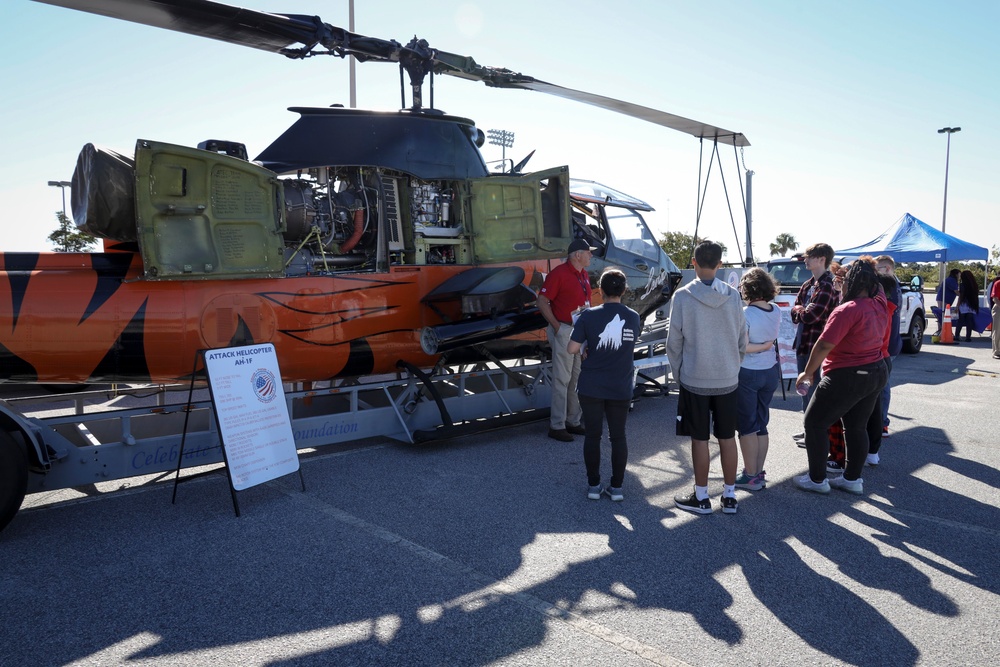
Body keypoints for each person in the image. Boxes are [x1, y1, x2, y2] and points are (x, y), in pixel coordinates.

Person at [794, 258, 889, 496]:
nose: (840, 285)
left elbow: (824, 344)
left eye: (844, 280)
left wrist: (808, 372)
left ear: (854, 282)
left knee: (814, 422)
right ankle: (852, 479)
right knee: (856, 427)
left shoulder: (847, 309)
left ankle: (817, 480)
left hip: (848, 373)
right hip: (876, 370)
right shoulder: (878, 304)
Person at [666, 241, 748, 515]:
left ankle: (701, 496)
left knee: (699, 438)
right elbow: (742, 338)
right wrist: (733, 365)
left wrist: (679, 372)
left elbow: (674, 341)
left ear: (694, 262)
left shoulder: (683, 296)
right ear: (720, 264)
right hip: (727, 376)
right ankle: (729, 495)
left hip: (694, 377)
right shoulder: (734, 296)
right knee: (727, 437)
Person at [568, 269, 641, 501]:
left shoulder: (588, 316)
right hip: (620, 384)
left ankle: (593, 486)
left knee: (592, 436)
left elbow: (571, 348)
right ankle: (617, 487)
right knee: (618, 437)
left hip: (591, 385)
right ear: (624, 290)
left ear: (600, 290)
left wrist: (585, 347)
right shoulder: (633, 316)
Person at [537, 238, 595, 442]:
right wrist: (557, 327)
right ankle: (557, 425)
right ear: (577, 254)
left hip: (579, 332)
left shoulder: (584, 274)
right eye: (589, 252)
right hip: (565, 330)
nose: (591, 255)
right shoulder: (559, 274)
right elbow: (542, 301)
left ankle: (573, 420)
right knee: (563, 378)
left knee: (576, 377)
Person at [734, 268, 781, 492]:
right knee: (762, 423)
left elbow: (743, 348)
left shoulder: (745, 314)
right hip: (770, 371)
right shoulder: (775, 311)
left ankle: (750, 475)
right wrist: (766, 346)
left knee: (747, 426)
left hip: (749, 372)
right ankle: (758, 471)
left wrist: (761, 346)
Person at [790, 243, 839, 445]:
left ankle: (817, 434)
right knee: (805, 390)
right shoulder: (809, 284)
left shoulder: (827, 284)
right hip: (803, 344)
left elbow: (812, 315)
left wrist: (800, 310)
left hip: (818, 347)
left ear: (821, 259)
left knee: (818, 393)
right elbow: (796, 310)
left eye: (809, 256)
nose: (805, 260)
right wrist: (800, 310)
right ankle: (808, 429)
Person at [875, 255, 903, 437]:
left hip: (887, 344)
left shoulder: (890, 288)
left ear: (886, 269)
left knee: (882, 386)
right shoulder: (888, 286)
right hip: (885, 343)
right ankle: (879, 422)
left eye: (876, 269)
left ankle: (882, 423)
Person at [954, 270, 980, 343]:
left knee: (960, 321)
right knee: (969, 321)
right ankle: (968, 337)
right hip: (972, 304)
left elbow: (961, 296)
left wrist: (957, 306)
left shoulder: (962, 285)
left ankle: (957, 335)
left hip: (963, 304)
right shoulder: (974, 284)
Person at [936, 269, 961, 333]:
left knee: (943, 314)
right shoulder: (951, 280)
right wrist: (962, 296)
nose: (960, 275)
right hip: (943, 299)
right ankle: (941, 330)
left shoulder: (951, 280)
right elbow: (956, 291)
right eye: (959, 274)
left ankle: (942, 329)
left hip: (946, 299)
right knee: (942, 314)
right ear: (956, 274)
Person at [991, 274, 1000, 359]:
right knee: (997, 331)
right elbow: (995, 298)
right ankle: (996, 352)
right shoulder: (998, 283)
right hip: (998, 307)